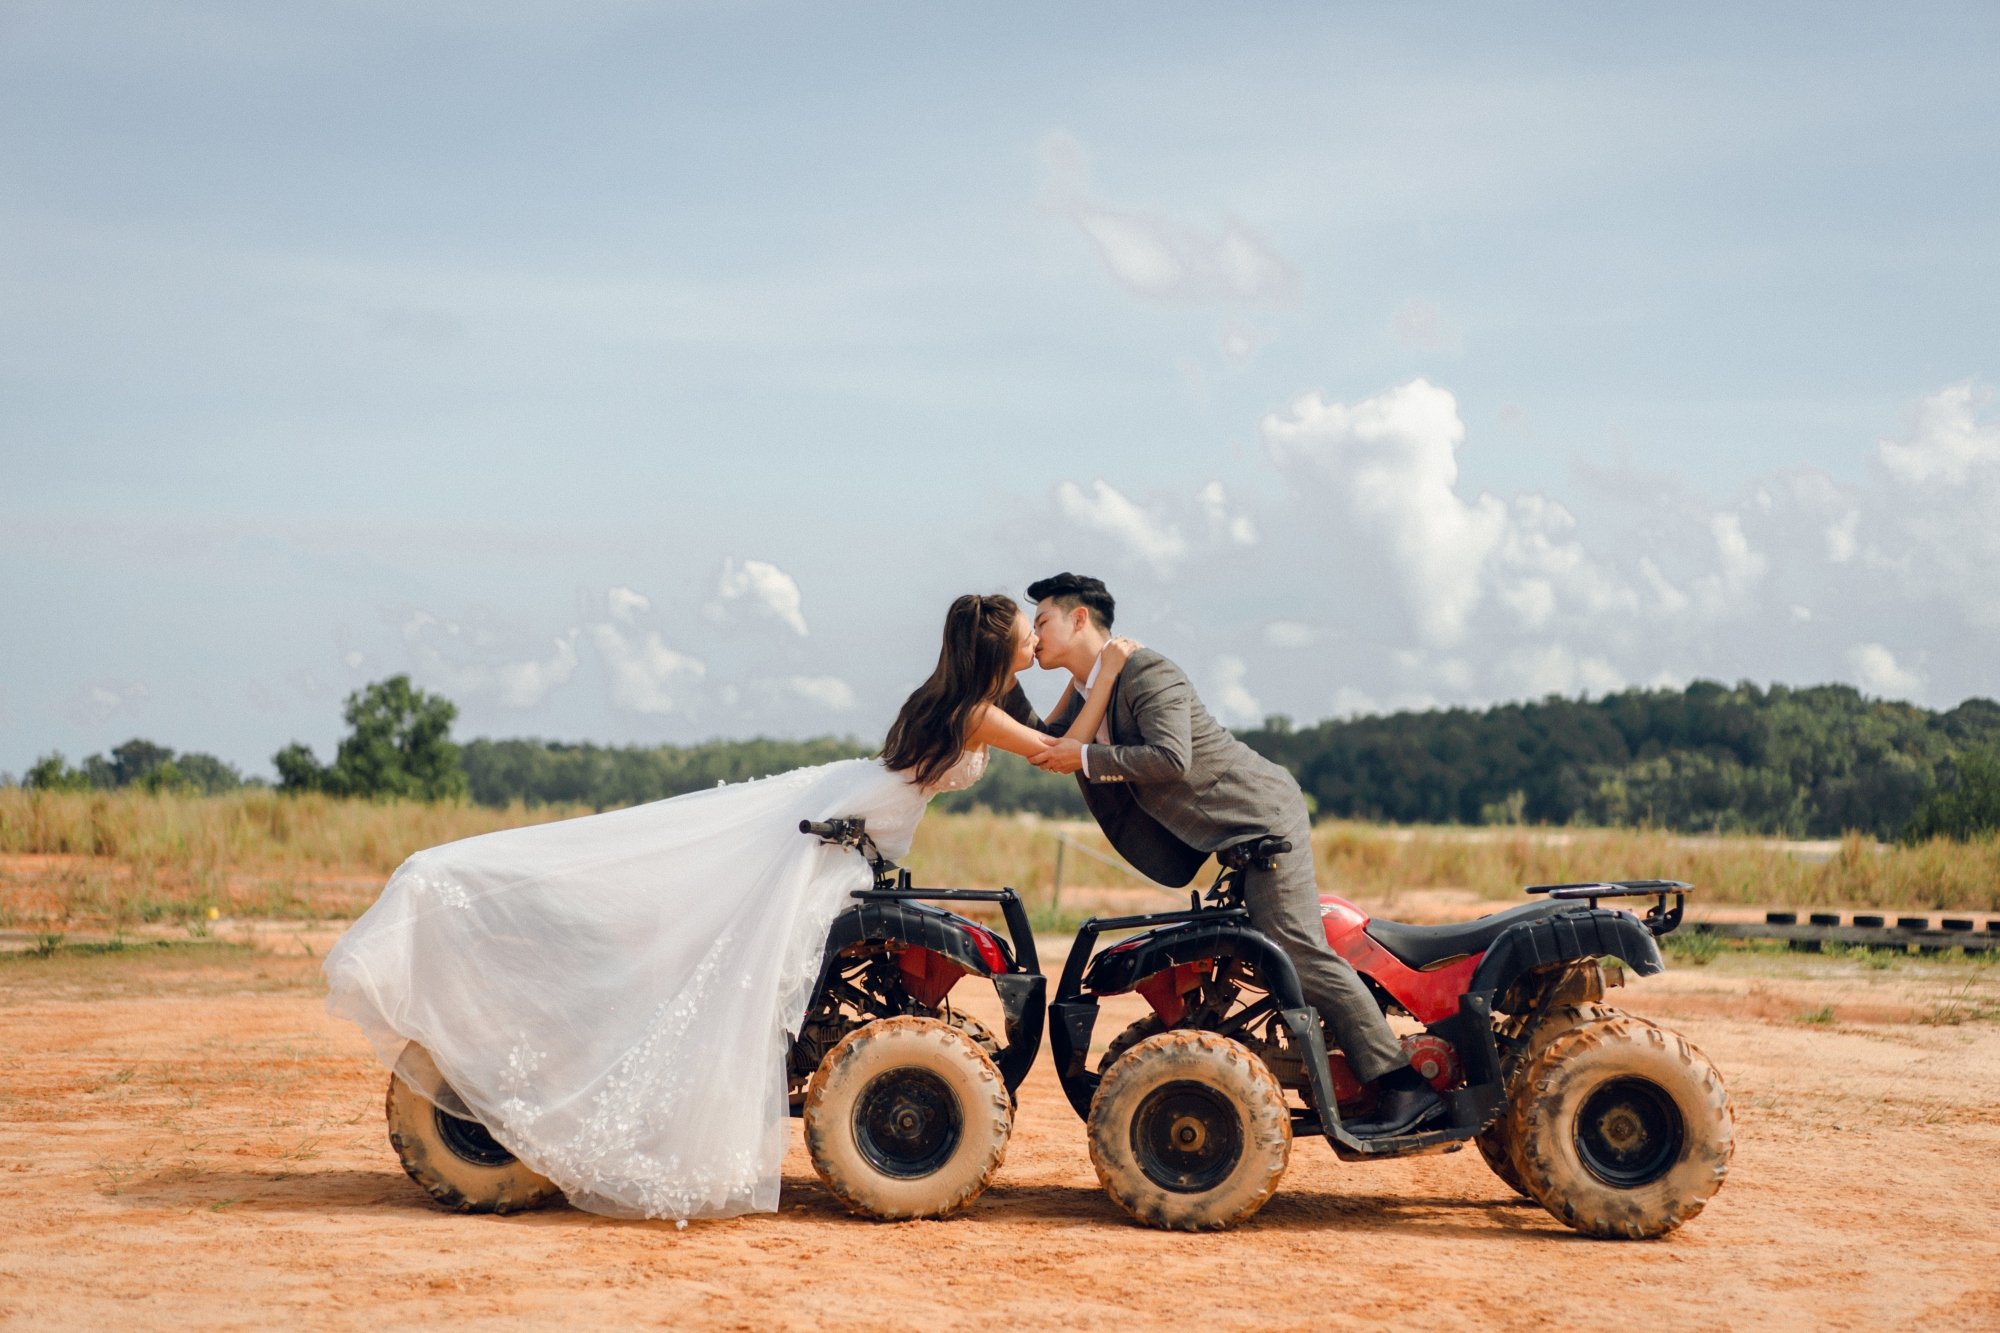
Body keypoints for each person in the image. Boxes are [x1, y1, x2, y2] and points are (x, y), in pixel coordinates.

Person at [323, 593, 1137, 1222]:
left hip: (855, 821)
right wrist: (1107, 670)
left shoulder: (967, 703)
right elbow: (1063, 755)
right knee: (716, 944)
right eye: (1027, 633)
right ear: (998, 649)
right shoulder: (973, 713)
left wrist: (1090, 686)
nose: (1038, 637)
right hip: (842, 835)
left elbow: (1055, 733)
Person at [1011, 572, 1442, 1139]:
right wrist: (999, 667)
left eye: (1041, 622)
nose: (1036, 635)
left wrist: (1090, 753)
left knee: (1296, 950)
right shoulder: (1097, 686)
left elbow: (1171, 759)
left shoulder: (1146, 671)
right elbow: (1046, 746)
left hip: (1260, 819)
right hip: (1226, 836)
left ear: (1079, 619)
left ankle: (1404, 1085)